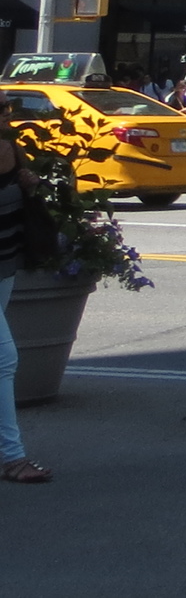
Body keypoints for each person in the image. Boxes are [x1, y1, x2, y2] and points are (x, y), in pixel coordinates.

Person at [0, 101, 53, 483]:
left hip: (4, 265)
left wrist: (30, 186)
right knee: (4, 359)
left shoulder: (11, 147)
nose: (7, 113)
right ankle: (12, 457)